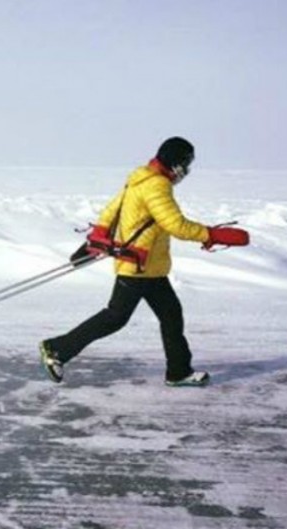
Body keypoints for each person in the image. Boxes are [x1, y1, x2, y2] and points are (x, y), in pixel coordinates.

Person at [38, 137, 248, 387]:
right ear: (176, 163)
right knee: (115, 317)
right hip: (137, 266)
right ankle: (57, 349)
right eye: (186, 163)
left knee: (171, 315)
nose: (187, 170)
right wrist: (212, 235)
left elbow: (110, 212)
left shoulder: (140, 179)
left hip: (150, 268)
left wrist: (98, 236)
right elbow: (175, 225)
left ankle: (178, 372)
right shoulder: (156, 185)